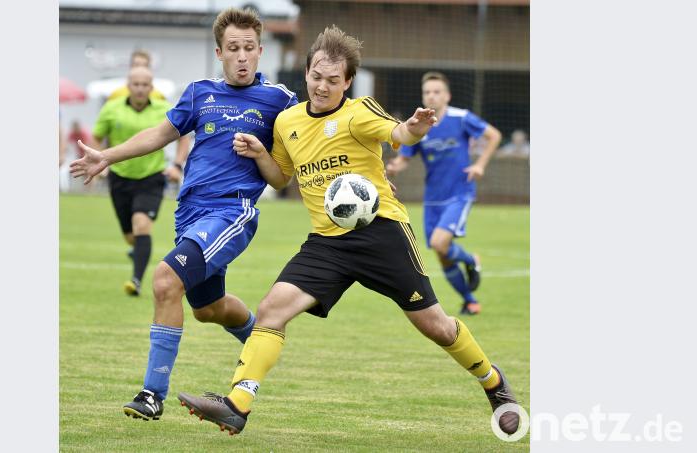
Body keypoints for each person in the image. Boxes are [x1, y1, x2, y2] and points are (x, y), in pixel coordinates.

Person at [177, 25, 519, 437]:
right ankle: (237, 405)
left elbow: (398, 133)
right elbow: (282, 178)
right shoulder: (287, 122)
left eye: (333, 80)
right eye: (317, 77)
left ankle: (493, 382)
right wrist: (261, 153)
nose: (323, 87)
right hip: (327, 243)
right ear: (306, 73)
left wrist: (416, 127)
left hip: (382, 234)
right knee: (271, 310)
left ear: (348, 82)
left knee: (436, 326)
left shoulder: (359, 112)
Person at [70, 7, 298, 422]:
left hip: (232, 211)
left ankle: (151, 394)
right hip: (189, 215)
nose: (242, 56)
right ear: (219, 53)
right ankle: (260, 336)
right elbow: (159, 134)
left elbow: (284, 176)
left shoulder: (280, 101)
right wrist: (105, 155)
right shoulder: (199, 93)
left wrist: (263, 153)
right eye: (234, 48)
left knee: (164, 280)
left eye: (249, 48)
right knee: (207, 309)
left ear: (261, 51)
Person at [386, 71, 502, 315]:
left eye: (437, 91)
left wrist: (480, 164)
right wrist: (395, 167)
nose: (432, 96)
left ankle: (471, 261)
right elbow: (405, 157)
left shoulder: (461, 118)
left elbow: (494, 136)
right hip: (433, 199)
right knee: (443, 255)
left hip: (460, 193)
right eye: (427, 92)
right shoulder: (419, 126)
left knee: (440, 243)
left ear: (447, 95)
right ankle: (470, 300)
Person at [90, 66, 187, 297]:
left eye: (145, 85)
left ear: (151, 87)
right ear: (128, 86)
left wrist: (176, 165)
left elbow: (183, 137)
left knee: (141, 224)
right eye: (136, 84)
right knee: (130, 235)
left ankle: (136, 280)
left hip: (151, 177)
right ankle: (137, 249)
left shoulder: (164, 109)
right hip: (120, 177)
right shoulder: (111, 109)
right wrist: (100, 162)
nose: (141, 89)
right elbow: (96, 137)